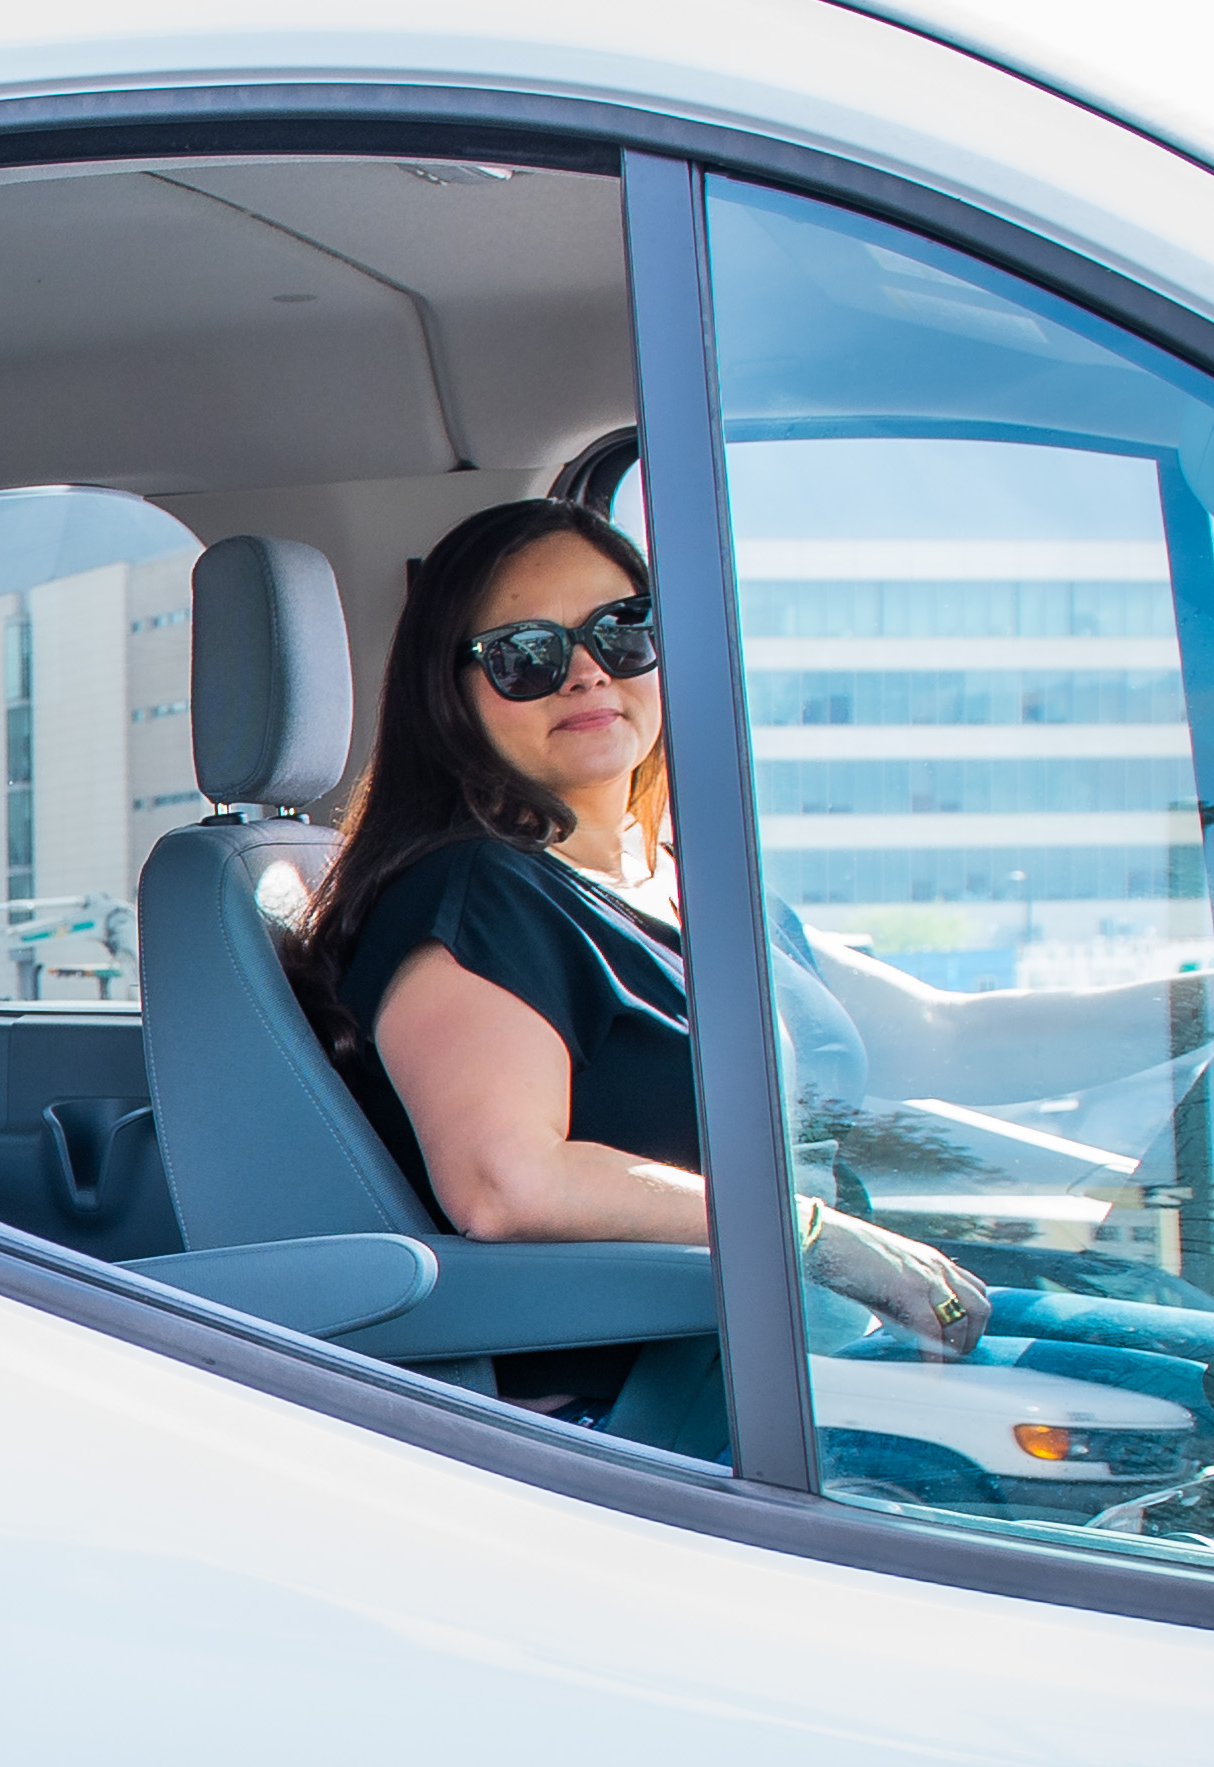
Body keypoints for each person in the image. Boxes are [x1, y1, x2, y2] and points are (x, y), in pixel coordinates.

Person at [292, 500, 992, 1442]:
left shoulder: (680, 879)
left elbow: (946, 1039)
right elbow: (507, 1183)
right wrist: (815, 1237)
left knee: (1206, 1361)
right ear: (448, 693)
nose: (586, 670)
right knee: (1196, 1410)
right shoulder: (476, 892)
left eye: (623, 632)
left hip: (798, 1342)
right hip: (665, 1407)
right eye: (525, 653)